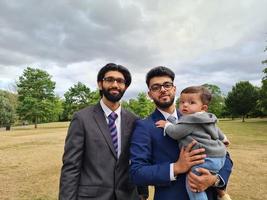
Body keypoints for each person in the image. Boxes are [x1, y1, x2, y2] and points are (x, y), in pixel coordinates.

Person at [130, 66, 233, 200]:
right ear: (150, 94)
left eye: (167, 85)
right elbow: (137, 172)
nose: (162, 89)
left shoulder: (199, 117)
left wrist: (215, 180)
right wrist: (176, 168)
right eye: (156, 87)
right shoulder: (144, 126)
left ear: (174, 89)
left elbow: (225, 155)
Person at [59, 63, 148, 200]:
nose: (115, 84)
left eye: (120, 81)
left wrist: (143, 192)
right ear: (100, 84)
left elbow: (138, 159)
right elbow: (71, 167)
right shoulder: (82, 119)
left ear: (125, 87)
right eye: (109, 80)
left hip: (128, 195)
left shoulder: (134, 120)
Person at [155, 85, 232, 200]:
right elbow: (218, 133)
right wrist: (224, 139)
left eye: (191, 102)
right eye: (182, 102)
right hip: (218, 157)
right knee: (206, 175)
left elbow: (176, 132)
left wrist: (166, 125)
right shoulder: (209, 118)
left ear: (203, 107)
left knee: (193, 183)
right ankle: (222, 194)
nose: (185, 105)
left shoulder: (190, 119)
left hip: (205, 159)